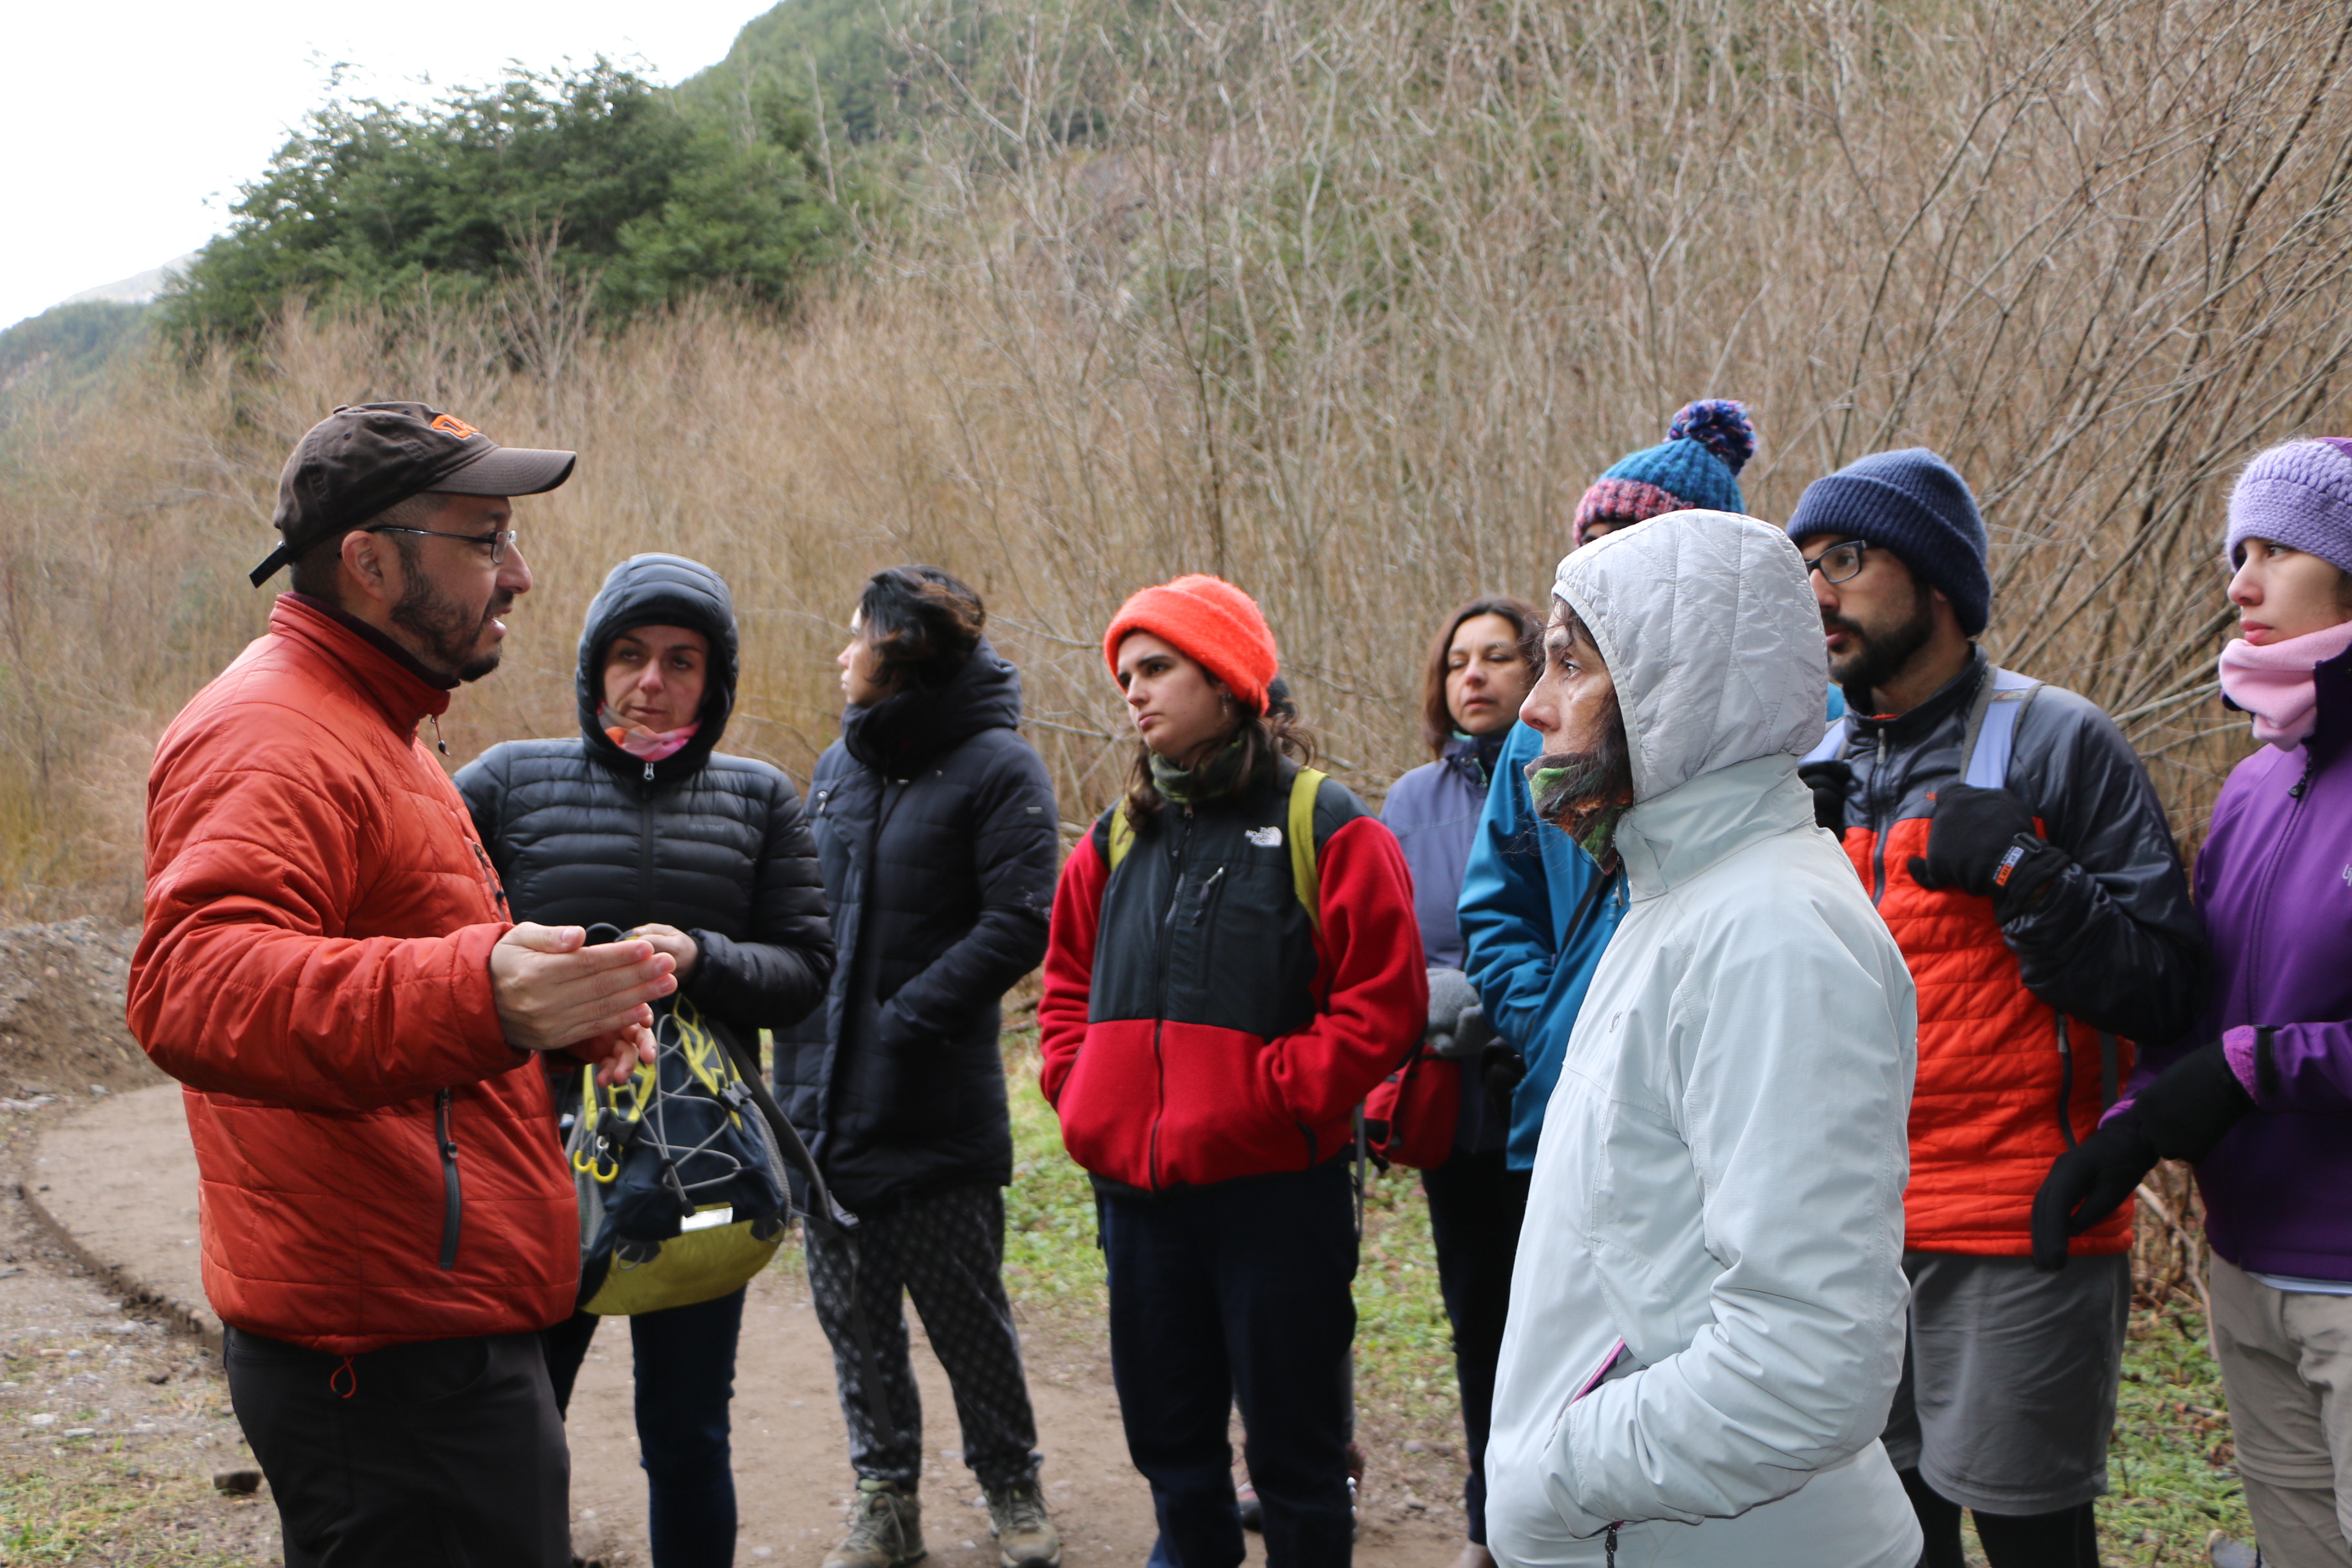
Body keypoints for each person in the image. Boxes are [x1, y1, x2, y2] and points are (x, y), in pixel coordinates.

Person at [128, 402, 678, 1567]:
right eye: (484, 539)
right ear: (371, 562)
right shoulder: (273, 729)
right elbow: (192, 981)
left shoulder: (377, 723)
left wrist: (545, 1008)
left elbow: (386, 968)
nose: (519, 574)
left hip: (433, 1332)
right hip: (381, 1364)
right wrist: (481, 989)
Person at [1788, 448, 2207, 1568]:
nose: (1816, 590)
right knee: (1882, 1542)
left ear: (1936, 585)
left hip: (2018, 1231)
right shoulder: (1808, 762)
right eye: (1802, 565)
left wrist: (2027, 877)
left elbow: (2164, 987)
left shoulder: (2058, 740)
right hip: (1845, 1237)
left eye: (1846, 557)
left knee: (2032, 1540)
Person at [1484, 509, 1921, 1567]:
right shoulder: (1677, 899)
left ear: (1673, 686)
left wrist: (1548, 1476)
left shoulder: (1771, 932)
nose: (1532, 708)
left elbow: (1806, 1364)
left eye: (1568, 665)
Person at [456, 553, 836, 1568]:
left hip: (698, 1167)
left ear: (716, 684)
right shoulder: (503, 781)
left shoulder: (758, 799)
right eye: (629, 656)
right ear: (593, 669)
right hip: (534, 1170)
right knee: (522, 1433)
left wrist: (700, 957)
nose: (652, 683)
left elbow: (806, 970)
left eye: (681, 661)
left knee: (688, 1435)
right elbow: (432, 954)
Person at [1038, 574, 1425, 1568]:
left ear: (1227, 677)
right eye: (1127, 674)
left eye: (1158, 668)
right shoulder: (1115, 838)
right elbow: (1065, 993)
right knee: (1173, 1452)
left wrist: (1275, 1097)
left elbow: (1383, 1004)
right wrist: (1083, 1096)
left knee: (1297, 1461)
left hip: (1277, 1201)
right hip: (1139, 1205)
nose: (1134, 691)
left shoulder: (1324, 822)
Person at [2037, 436, 2352, 1568]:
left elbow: (2249, 1049)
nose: (2239, 581)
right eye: (2238, 552)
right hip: (2247, 1266)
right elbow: (2200, 1007)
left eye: (2276, 551)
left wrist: (2262, 1065)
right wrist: (2121, 1137)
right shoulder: (2255, 776)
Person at [773, 567, 1063, 1568]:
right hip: (822, 1104)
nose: (841, 652)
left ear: (902, 650)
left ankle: (1013, 1487)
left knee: (968, 1323)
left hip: (935, 1107)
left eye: (856, 636)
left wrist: (907, 1017)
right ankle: (885, 1501)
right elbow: (807, 914)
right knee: (857, 1329)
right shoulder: (834, 769)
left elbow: (1022, 918)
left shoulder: (998, 768)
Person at [1462, 399, 1760, 1180]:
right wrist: (1551, 1016)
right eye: (1588, 545)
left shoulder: (1783, 727)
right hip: (1562, 1105)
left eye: (1624, 544)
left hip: (1702, 1135)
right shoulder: (1540, 728)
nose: (1598, 566)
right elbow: (1499, 900)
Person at [1377, 595, 1542, 1568]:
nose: (1473, 676)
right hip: (1458, 1110)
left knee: (1567, 1322)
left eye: (1496, 658)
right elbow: (1389, 950)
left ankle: (1565, 1521)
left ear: (1539, 672)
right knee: (1479, 1319)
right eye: (1456, 663)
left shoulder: (1573, 779)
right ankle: (1491, 1524)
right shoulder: (1408, 802)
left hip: (1557, 1098)